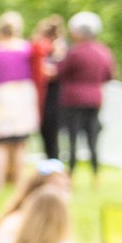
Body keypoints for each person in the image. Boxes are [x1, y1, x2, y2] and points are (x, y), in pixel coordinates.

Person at [0, 12, 40, 187]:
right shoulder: (26, 49)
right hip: (23, 96)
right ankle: (18, 182)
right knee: (20, 143)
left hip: (1, 97)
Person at [52, 12, 116, 182]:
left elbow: (59, 72)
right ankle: (96, 175)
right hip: (95, 100)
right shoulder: (104, 52)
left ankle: (70, 175)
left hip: (73, 100)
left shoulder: (74, 52)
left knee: (72, 139)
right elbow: (109, 75)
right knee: (92, 139)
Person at [30, 14, 67, 164]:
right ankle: (51, 162)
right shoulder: (42, 50)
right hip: (48, 96)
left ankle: (53, 163)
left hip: (53, 97)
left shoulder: (58, 50)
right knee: (49, 134)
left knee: (50, 134)